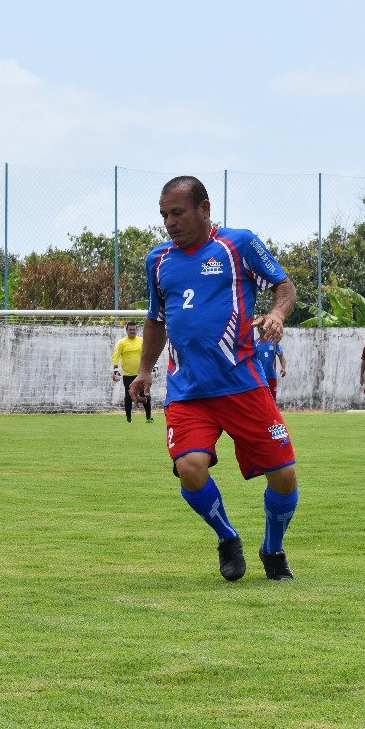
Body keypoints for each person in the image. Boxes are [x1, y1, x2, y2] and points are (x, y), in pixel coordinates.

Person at [129, 176, 300, 582]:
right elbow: (156, 320)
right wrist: (145, 371)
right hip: (189, 392)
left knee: (284, 475)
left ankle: (272, 548)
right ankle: (227, 537)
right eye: (164, 215)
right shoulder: (158, 260)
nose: (169, 222)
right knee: (190, 467)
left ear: (204, 209)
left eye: (178, 212)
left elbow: (284, 286)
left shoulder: (236, 245)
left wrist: (276, 315)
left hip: (243, 385)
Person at [111, 321, 153, 423]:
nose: (132, 331)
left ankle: (149, 418)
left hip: (141, 374)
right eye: (130, 330)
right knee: (128, 396)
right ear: (126, 331)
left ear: (136, 330)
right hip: (128, 375)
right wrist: (115, 369)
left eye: (134, 329)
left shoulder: (142, 341)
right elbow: (116, 355)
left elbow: (149, 353)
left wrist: (154, 365)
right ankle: (129, 419)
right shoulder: (122, 343)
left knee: (145, 395)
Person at [253, 327, 286, 402]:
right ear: (258, 330)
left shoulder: (274, 343)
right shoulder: (255, 344)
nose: (263, 330)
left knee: (272, 400)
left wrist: (283, 368)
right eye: (261, 328)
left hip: (271, 377)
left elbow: (281, 356)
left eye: (265, 328)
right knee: (260, 400)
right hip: (259, 378)